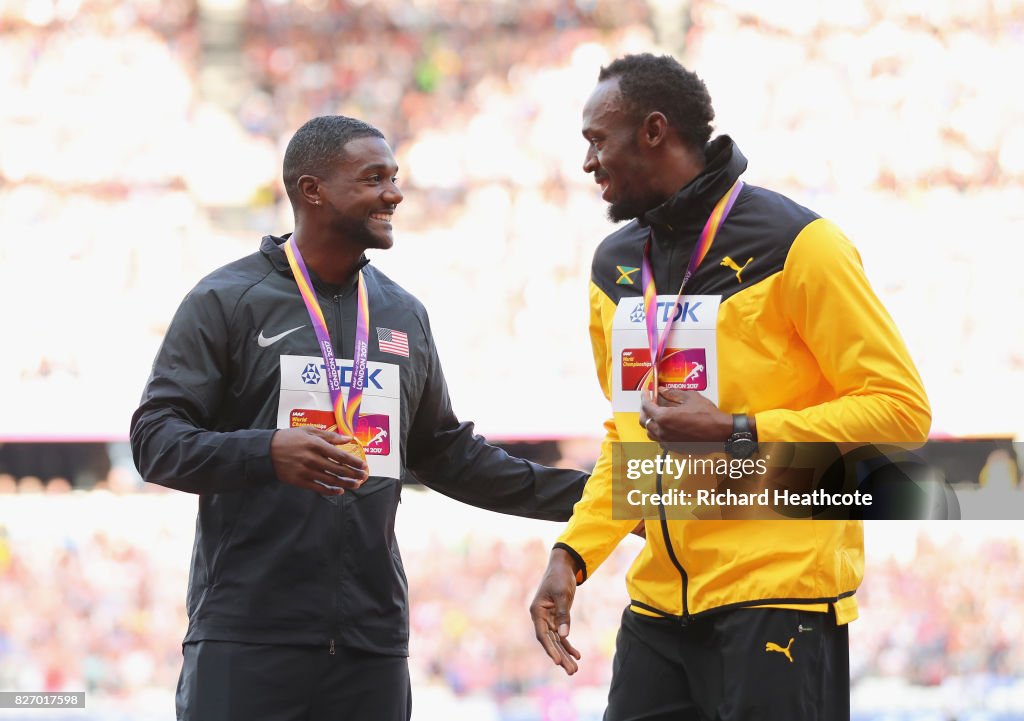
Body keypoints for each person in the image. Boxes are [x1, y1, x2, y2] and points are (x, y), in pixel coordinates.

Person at [130, 115, 588, 721]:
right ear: (312, 190)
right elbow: (155, 439)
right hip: (248, 638)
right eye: (374, 179)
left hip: (371, 646)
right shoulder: (226, 299)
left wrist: (597, 498)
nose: (394, 194)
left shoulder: (402, 313)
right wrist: (267, 451)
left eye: (394, 178)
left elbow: (447, 454)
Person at [529, 54, 931, 720]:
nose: (588, 163)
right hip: (658, 609)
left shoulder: (801, 243)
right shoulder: (614, 267)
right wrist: (572, 555)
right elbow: (629, 433)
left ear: (654, 131)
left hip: (781, 601)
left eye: (598, 140)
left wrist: (738, 428)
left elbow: (900, 411)